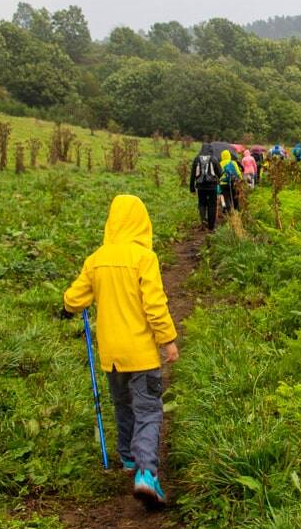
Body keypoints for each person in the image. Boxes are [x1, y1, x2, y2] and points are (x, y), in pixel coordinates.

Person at [61, 194, 179, 508]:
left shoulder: (96, 259)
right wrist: (167, 339)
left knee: (122, 404)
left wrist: (67, 306)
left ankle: (127, 458)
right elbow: (154, 305)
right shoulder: (144, 258)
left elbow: (74, 299)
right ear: (143, 223)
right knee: (149, 411)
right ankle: (145, 472)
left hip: (111, 355)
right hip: (140, 353)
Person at [188, 144, 221, 231]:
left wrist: (192, 188)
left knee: (202, 204)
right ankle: (211, 227)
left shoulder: (197, 159)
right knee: (212, 205)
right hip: (212, 186)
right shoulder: (214, 159)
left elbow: (193, 175)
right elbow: (220, 173)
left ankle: (203, 224)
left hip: (200, 186)